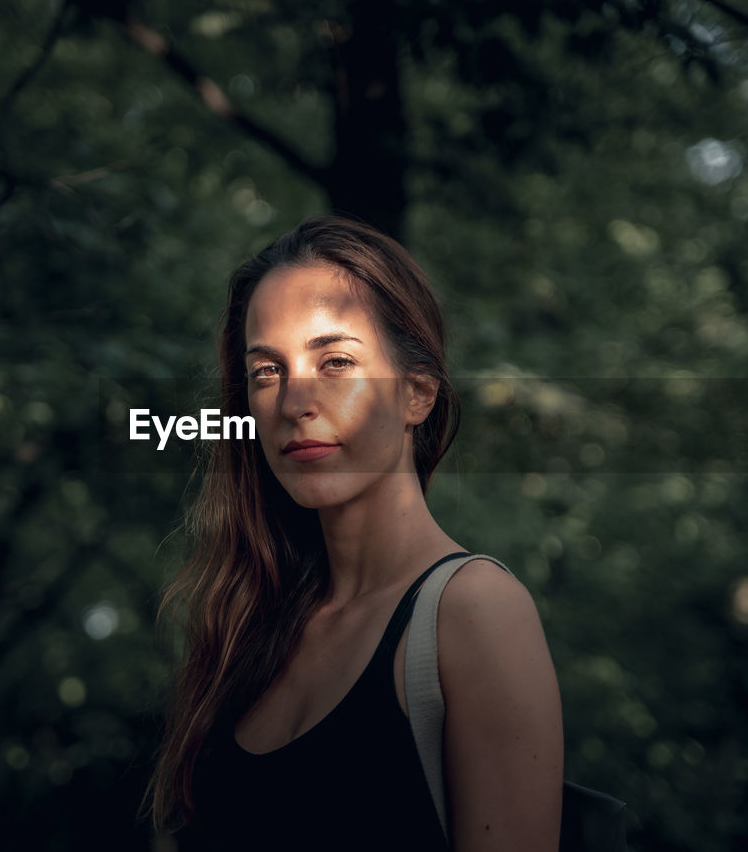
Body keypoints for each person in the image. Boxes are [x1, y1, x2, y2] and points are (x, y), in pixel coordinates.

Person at [146, 215, 563, 851]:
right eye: (266, 372)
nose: (293, 403)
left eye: (335, 361)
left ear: (417, 394)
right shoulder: (245, 621)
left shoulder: (474, 612)